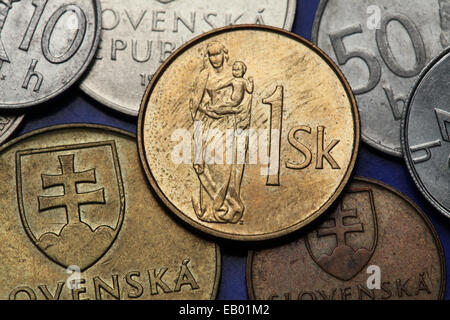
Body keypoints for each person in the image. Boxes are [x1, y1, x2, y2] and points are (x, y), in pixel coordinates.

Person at [189, 41, 252, 224]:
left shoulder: (235, 73)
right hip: (210, 124)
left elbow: (244, 98)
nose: (215, 58)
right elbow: (195, 103)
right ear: (208, 57)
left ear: (225, 54)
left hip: (229, 124)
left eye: (217, 54)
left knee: (229, 167)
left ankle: (230, 208)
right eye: (211, 55)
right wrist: (207, 113)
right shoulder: (205, 75)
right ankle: (213, 209)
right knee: (213, 166)